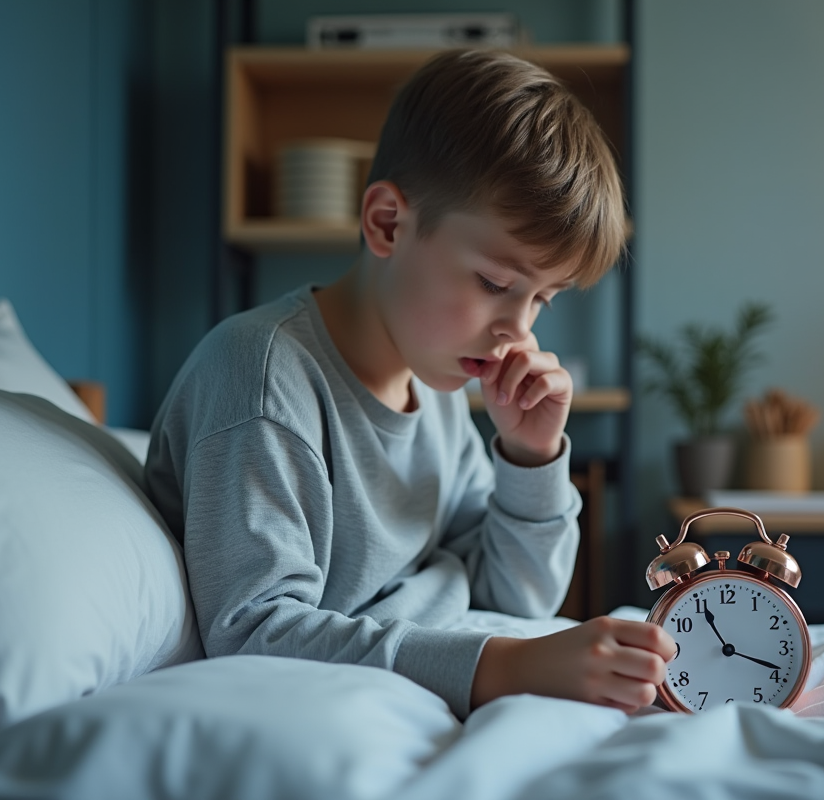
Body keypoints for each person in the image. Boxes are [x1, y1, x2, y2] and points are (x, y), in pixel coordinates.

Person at [144, 48, 674, 720]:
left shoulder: (437, 383)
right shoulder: (263, 381)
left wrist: (530, 457)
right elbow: (253, 632)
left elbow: (520, 598)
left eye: (544, 298)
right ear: (387, 223)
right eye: (495, 283)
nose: (519, 329)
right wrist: (505, 668)